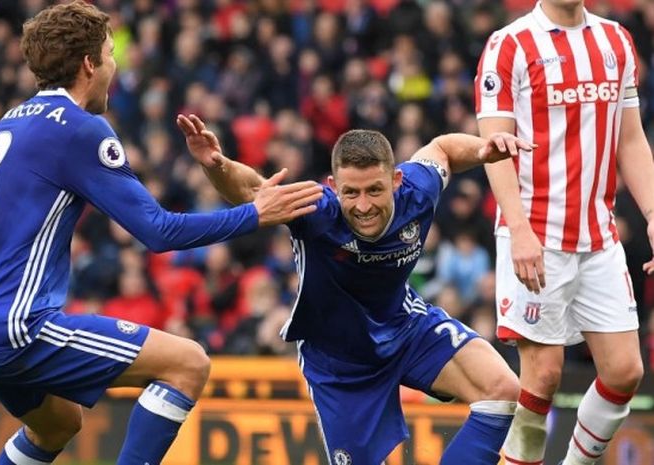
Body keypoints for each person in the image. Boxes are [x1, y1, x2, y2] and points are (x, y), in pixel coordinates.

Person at [0, 2, 323, 464]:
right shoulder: (81, 130)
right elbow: (158, 231)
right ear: (89, 64)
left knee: (59, 425)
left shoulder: (4, 126)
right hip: (12, 328)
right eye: (110, 54)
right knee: (187, 363)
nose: (115, 66)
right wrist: (255, 214)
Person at [179, 113, 535, 465]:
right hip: (338, 363)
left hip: (406, 329)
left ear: (396, 180)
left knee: (501, 389)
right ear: (334, 186)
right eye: (351, 192)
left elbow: (442, 148)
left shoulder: (418, 191)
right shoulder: (316, 210)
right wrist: (217, 165)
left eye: (374, 190)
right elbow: (255, 190)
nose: (363, 206)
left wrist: (482, 150)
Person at [475, 1, 654, 464]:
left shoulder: (616, 41)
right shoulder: (509, 44)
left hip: (598, 235)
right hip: (535, 232)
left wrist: (653, 212)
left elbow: (629, 138)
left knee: (624, 371)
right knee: (543, 375)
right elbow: (493, 147)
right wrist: (518, 229)